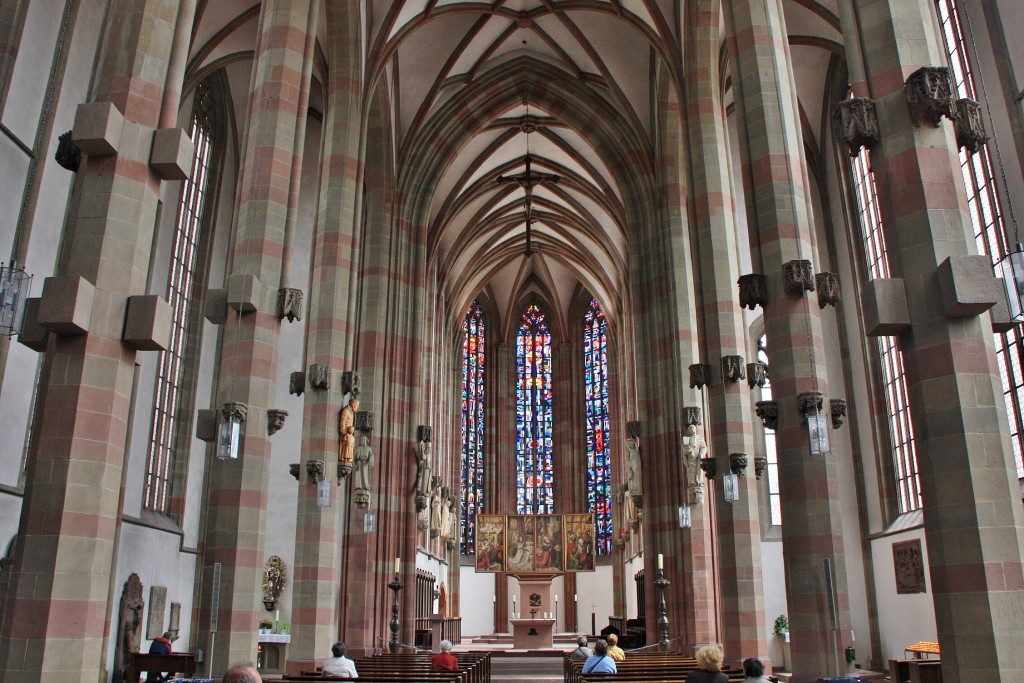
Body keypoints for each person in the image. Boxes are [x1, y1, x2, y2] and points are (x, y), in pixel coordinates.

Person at [682, 424, 708, 503]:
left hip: (698, 458)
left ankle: (698, 483)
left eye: (693, 428)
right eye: (690, 428)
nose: (692, 429)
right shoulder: (687, 439)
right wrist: (687, 450)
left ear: (695, 429)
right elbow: (684, 450)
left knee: (698, 470)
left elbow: (704, 447)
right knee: (691, 471)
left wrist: (702, 453)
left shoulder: (699, 438)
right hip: (690, 458)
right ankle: (692, 484)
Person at [338, 398, 360, 468]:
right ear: (353, 405)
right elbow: (342, 421)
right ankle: (345, 458)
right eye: (356, 406)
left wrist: (351, 429)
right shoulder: (346, 411)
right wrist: (344, 432)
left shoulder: (351, 412)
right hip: (346, 433)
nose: (357, 408)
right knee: (349, 441)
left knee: (352, 441)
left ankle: (348, 459)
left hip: (350, 432)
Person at [353, 435, 374, 506]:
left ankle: (365, 486)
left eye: (363, 440)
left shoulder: (369, 448)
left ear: (366, 441)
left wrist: (369, 461)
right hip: (359, 462)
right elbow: (354, 457)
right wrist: (354, 464)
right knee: (359, 476)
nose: (362, 441)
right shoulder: (359, 448)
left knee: (365, 476)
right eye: (361, 440)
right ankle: (359, 486)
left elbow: (371, 455)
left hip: (365, 463)